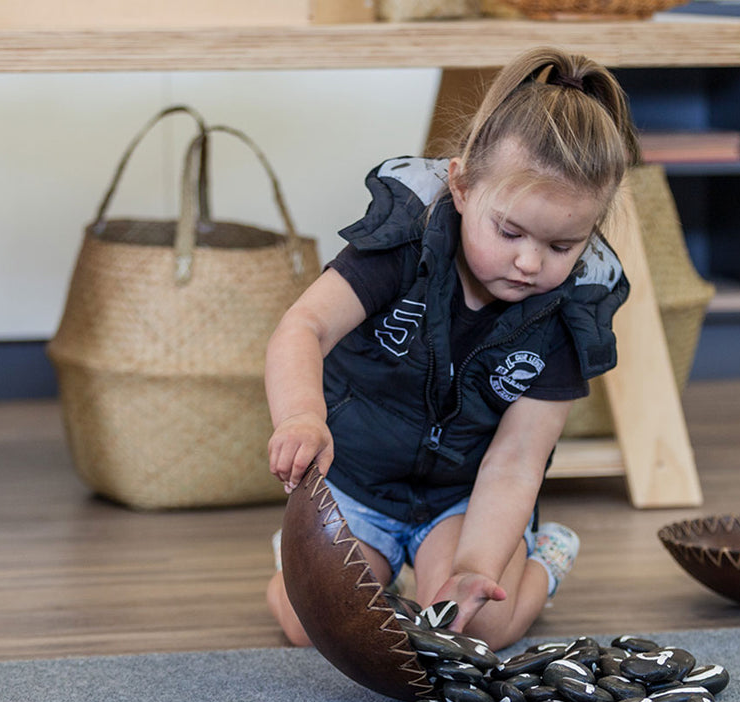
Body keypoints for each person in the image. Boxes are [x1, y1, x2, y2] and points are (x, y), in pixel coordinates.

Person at [264, 46, 639, 651]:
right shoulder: (402, 242)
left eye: (562, 245)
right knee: (309, 624)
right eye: (510, 232)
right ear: (461, 186)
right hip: (359, 481)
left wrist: (477, 568)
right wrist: (302, 416)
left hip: (463, 501)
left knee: (476, 625)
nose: (529, 262)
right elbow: (303, 327)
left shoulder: (572, 309)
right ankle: (304, 557)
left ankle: (541, 558)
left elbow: (517, 461)